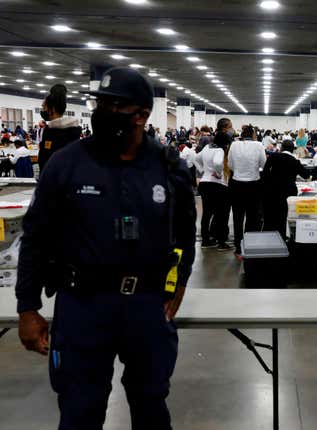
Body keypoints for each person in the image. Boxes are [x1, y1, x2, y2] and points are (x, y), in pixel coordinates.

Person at [15, 67, 196, 430]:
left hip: (146, 307)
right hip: (83, 305)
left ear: (142, 115)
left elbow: (185, 236)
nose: (103, 112)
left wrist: (177, 284)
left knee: (151, 406)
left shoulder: (167, 167)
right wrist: (27, 307)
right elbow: (35, 235)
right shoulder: (67, 163)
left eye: (116, 106)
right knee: (80, 410)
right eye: (101, 103)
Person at [227, 124, 266, 258]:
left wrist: (239, 169)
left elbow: (230, 165)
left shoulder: (234, 145)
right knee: (252, 218)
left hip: (237, 184)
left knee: (237, 218)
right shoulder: (259, 145)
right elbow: (263, 164)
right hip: (254, 185)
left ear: (242, 134)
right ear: (254, 134)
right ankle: (249, 247)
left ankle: (238, 249)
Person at [195, 118, 233, 250]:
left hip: (204, 184)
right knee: (221, 214)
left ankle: (205, 241)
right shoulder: (220, 150)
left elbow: (195, 159)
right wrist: (218, 173)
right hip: (217, 185)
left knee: (206, 214)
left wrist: (203, 170)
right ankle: (221, 242)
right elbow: (218, 163)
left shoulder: (206, 147)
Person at [261, 139, 311, 238]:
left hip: (272, 192)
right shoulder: (295, 161)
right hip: (288, 193)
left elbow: (265, 172)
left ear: (281, 148)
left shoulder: (273, 156)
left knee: (271, 216)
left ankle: (268, 237)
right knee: (284, 216)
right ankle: (283, 237)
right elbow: (306, 175)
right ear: (293, 150)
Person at [38, 84, 82, 172]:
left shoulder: (68, 132)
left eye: (44, 107)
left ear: (52, 109)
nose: (42, 110)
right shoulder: (49, 129)